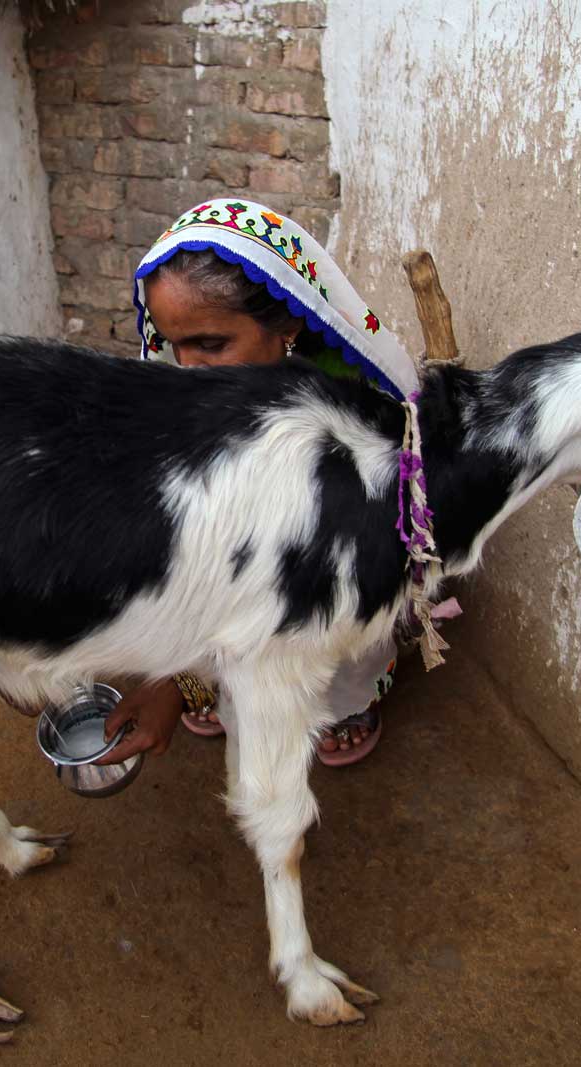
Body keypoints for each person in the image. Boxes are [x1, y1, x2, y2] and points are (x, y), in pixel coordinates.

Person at [94, 198, 413, 770]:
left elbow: (333, 558)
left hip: (335, 572)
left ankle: (343, 702)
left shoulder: (363, 410)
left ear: (288, 323)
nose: (188, 369)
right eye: (174, 346)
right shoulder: (201, 392)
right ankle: (213, 682)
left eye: (211, 345)